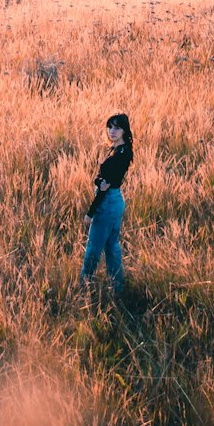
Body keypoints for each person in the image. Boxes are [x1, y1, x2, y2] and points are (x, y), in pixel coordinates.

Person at [80, 113, 133, 293]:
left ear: (125, 130)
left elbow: (104, 188)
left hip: (108, 203)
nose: (112, 131)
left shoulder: (119, 155)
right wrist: (99, 181)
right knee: (111, 246)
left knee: (93, 249)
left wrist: (90, 213)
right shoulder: (121, 149)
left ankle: (84, 286)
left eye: (117, 127)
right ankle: (117, 287)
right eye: (110, 127)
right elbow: (103, 180)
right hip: (115, 200)